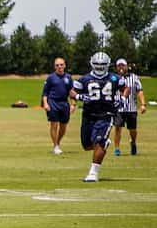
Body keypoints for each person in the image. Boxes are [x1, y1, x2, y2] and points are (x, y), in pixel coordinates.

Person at [70, 52, 128, 182]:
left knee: (99, 142)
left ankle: (93, 173)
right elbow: (72, 91)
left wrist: (123, 98)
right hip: (88, 115)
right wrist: (79, 97)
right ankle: (103, 143)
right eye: (97, 65)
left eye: (102, 65)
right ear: (92, 64)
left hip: (106, 114)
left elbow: (125, 88)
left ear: (108, 65)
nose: (100, 67)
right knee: (86, 145)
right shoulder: (84, 79)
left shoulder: (114, 78)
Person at [112, 58, 146, 156]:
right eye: (119, 65)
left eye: (123, 65)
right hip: (119, 108)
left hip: (131, 108)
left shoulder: (134, 77)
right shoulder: (114, 78)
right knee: (117, 127)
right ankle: (117, 149)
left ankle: (133, 142)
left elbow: (139, 91)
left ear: (127, 66)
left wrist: (143, 104)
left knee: (132, 130)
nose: (121, 67)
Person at [41, 57, 75, 155]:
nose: (59, 67)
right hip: (53, 102)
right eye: (57, 65)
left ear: (64, 65)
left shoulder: (68, 77)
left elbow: (71, 93)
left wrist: (73, 104)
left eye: (61, 65)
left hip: (64, 103)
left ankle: (58, 143)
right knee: (54, 124)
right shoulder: (51, 78)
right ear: (54, 66)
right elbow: (45, 93)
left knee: (63, 126)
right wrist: (45, 103)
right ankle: (55, 145)